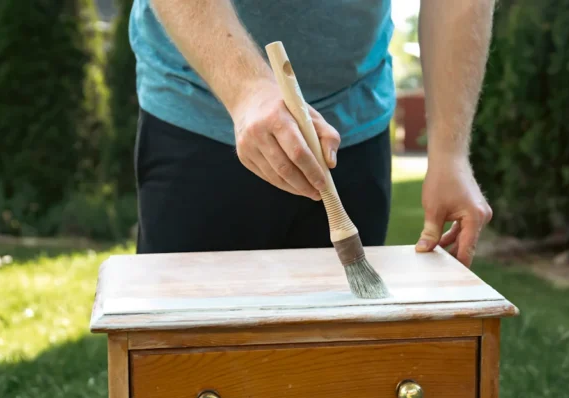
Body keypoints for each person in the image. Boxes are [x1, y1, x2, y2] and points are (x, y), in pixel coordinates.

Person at [128, 0, 494, 268]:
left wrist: (450, 154)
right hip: (199, 112)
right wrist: (245, 87)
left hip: (355, 116)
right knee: (189, 354)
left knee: (338, 356)